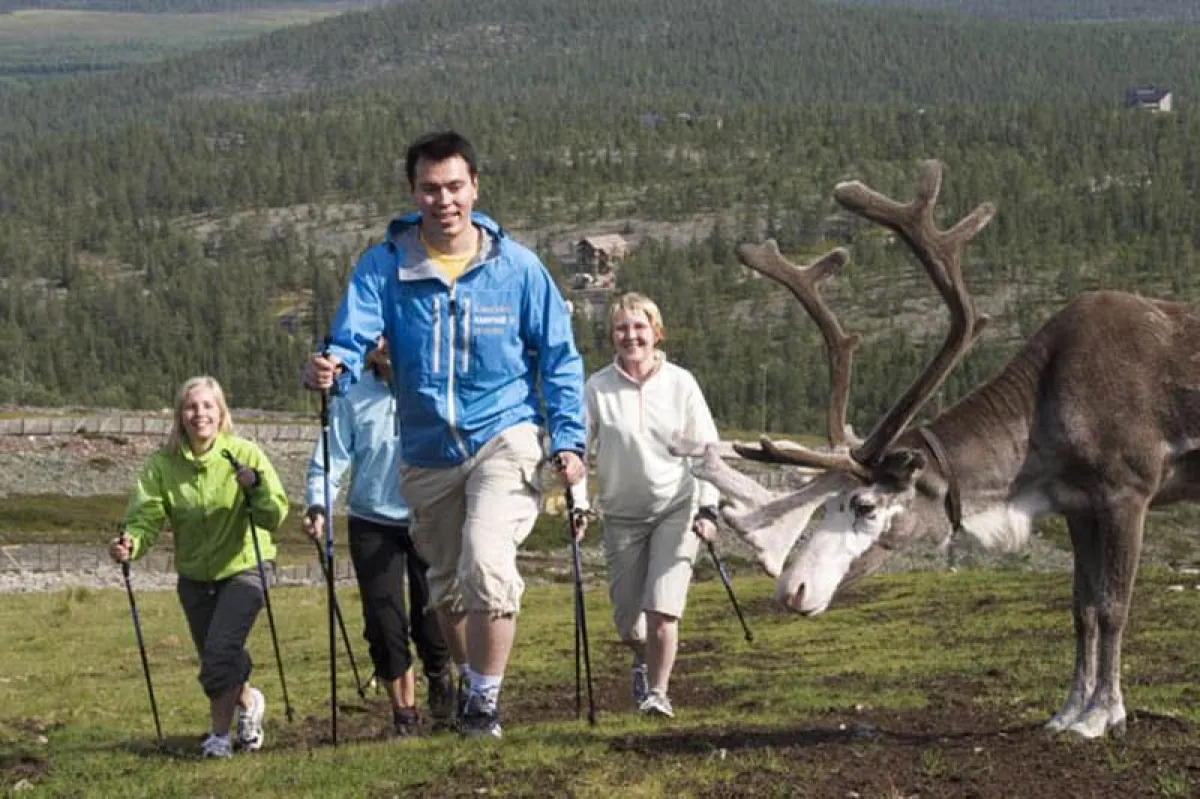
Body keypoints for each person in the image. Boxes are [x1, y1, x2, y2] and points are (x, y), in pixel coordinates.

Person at [302, 130, 587, 739]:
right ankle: (470, 683)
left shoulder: (517, 268)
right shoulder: (386, 264)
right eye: (430, 189)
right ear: (414, 191)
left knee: (487, 560)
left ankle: (484, 700)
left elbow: (559, 358)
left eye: (455, 186)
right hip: (428, 450)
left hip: (503, 433)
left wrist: (567, 438)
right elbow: (352, 336)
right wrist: (333, 366)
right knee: (447, 591)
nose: (444, 200)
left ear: (475, 187)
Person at [108, 376, 289, 758]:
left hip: (245, 568)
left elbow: (274, 515)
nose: (199, 414)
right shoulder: (163, 465)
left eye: (208, 406)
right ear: (180, 416)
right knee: (218, 658)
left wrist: (253, 486)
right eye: (191, 407)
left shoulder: (245, 454)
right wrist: (131, 543)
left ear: (221, 413)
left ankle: (219, 739)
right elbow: (145, 518)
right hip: (194, 577)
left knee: (219, 655)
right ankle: (250, 703)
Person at [303, 336, 454, 737]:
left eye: (392, 331)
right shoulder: (350, 395)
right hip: (371, 520)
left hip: (427, 511)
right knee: (383, 620)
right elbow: (330, 459)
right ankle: (404, 714)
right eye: (377, 336)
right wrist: (318, 505)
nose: (386, 343)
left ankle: (440, 675)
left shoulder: (433, 384)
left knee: (432, 614)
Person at [583, 293, 720, 718]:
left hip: (675, 510)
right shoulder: (597, 388)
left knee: (663, 610)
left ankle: (658, 694)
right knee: (629, 623)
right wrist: (577, 505)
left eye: (640, 327)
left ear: (656, 333)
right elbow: (575, 452)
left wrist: (708, 509)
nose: (631, 336)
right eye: (622, 328)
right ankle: (641, 660)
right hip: (622, 518)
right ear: (612, 336)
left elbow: (706, 451)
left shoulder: (681, 383)